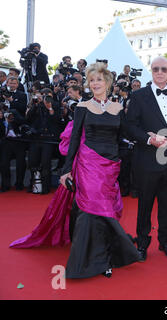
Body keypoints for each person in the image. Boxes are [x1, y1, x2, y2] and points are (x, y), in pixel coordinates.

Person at [10, 62, 141, 279]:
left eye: (99, 79)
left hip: (110, 167)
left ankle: (107, 256)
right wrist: (65, 170)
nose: (95, 83)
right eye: (92, 80)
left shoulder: (117, 108)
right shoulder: (82, 108)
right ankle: (91, 261)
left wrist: (151, 138)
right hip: (88, 164)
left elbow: (126, 133)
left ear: (107, 82)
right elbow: (73, 140)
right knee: (92, 211)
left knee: (105, 211)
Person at [125, 56, 167, 262]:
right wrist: (149, 139)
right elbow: (130, 126)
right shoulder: (139, 95)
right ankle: (142, 244)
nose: (160, 72)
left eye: (164, 69)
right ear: (151, 71)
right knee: (145, 206)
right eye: (156, 69)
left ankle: (164, 242)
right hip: (147, 161)